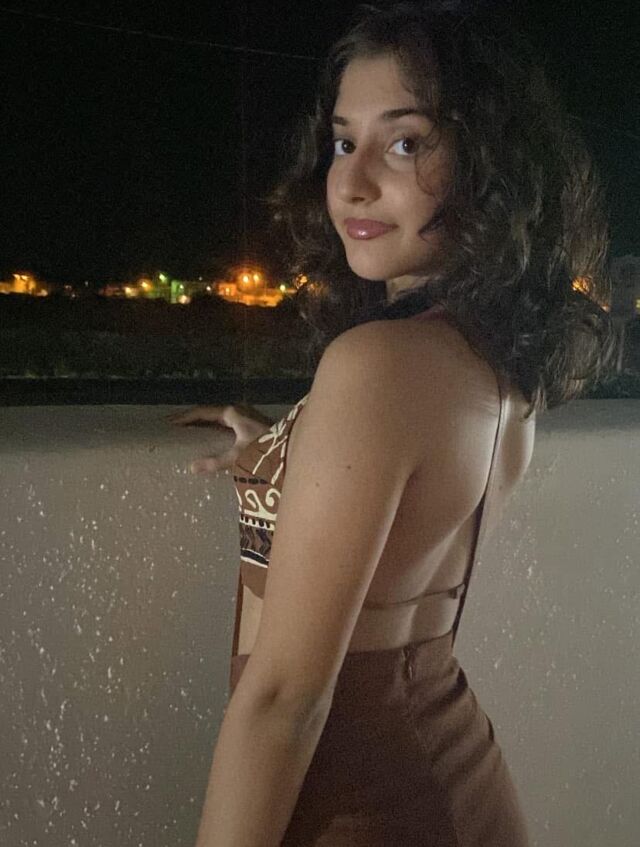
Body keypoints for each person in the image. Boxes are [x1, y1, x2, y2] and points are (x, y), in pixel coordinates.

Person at [167, 2, 617, 844]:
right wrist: (284, 455)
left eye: (405, 143)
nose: (352, 182)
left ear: (487, 165)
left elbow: (284, 701)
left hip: (358, 807)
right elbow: (404, 534)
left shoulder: (379, 365)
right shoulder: (489, 361)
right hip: (450, 778)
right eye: (344, 142)